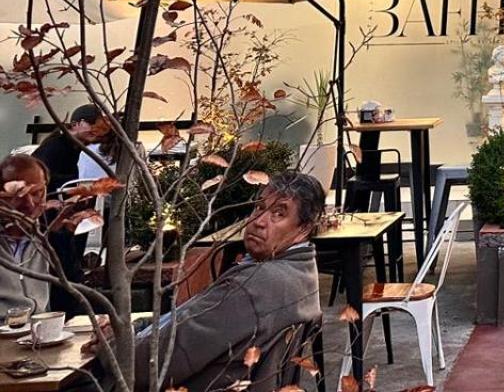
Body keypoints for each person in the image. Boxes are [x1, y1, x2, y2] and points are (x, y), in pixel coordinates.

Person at [130, 172, 324, 392]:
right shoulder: (302, 271)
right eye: (259, 207)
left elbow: (159, 360)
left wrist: (110, 347)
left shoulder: (255, 286)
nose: (259, 221)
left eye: (279, 213)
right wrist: (140, 326)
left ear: (303, 229)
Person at [0, 154, 52, 315]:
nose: (29, 204)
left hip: (38, 325)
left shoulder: (42, 235)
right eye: (19, 195)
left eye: (37, 193)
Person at [33, 105, 109, 194]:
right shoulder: (56, 145)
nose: (95, 128)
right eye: (91, 123)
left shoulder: (79, 147)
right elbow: (44, 177)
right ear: (74, 124)